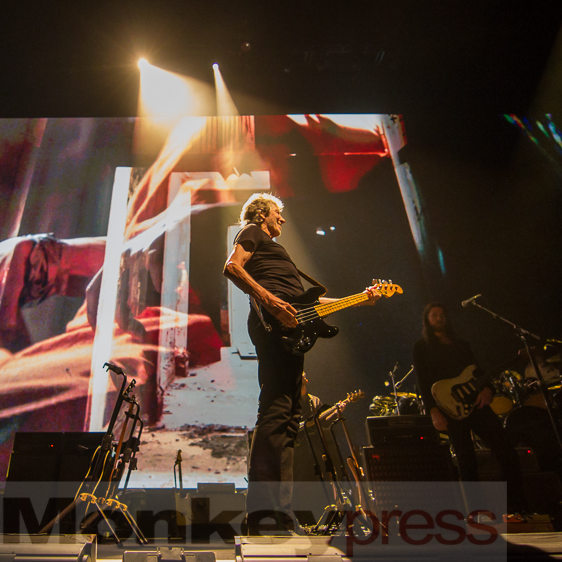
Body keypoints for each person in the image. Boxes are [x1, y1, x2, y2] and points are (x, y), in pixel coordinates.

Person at [223, 193, 379, 534]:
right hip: (274, 323)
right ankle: (264, 512)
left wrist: (360, 300)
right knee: (277, 410)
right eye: (278, 213)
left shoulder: (274, 250)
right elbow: (232, 267)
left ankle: (279, 512)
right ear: (263, 214)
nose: (282, 219)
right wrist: (271, 301)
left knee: (290, 415)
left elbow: (309, 304)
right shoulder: (252, 230)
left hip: (289, 326)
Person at [411, 303, 527, 517]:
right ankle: (477, 513)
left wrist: (487, 389)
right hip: (449, 408)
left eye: (442, 314)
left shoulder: (461, 345)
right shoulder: (421, 347)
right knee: (466, 460)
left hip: (477, 404)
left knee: (506, 451)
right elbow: (422, 380)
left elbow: (477, 370)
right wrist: (433, 411)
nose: (439, 317)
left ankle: (517, 508)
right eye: (434, 315)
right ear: (427, 320)